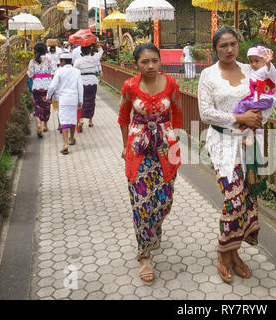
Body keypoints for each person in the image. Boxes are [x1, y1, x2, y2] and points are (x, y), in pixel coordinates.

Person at [198, 27, 273, 283]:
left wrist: (260, 117)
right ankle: (223, 252)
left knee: (248, 198)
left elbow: (267, 97)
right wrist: (238, 117)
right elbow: (205, 113)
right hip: (222, 144)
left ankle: (235, 254)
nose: (229, 50)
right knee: (233, 199)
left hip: (249, 142)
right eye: (223, 45)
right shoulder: (208, 75)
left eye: (233, 44)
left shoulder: (251, 70)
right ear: (215, 49)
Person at [118, 42, 182, 283]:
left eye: (154, 60)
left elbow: (176, 112)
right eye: (144, 62)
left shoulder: (171, 84)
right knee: (142, 201)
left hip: (166, 146)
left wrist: (177, 141)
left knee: (165, 200)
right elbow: (123, 116)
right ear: (136, 64)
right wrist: (125, 146)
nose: (150, 65)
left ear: (160, 61)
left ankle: (153, 230)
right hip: (139, 148)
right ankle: (144, 255)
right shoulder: (130, 86)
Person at [232, 43, 276, 146]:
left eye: (257, 61)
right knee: (254, 117)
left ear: (263, 59)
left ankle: (235, 119)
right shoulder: (254, 70)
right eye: (251, 61)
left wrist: (268, 63)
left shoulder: (265, 70)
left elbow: (272, 73)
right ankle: (249, 136)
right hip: (259, 99)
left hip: (264, 99)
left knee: (243, 105)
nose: (253, 64)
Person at [46, 52, 83, 155]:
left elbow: (52, 86)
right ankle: (72, 138)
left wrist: (48, 97)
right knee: (72, 119)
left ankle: (65, 143)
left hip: (63, 99)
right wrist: (80, 100)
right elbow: (80, 87)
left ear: (62, 61)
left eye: (60, 61)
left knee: (64, 121)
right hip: (74, 98)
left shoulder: (59, 71)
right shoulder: (76, 71)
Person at [27, 42, 55, 138]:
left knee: (37, 106)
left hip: (37, 87)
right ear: (45, 50)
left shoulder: (32, 61)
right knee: (47, 106)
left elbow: (30, 75)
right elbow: (54, 72)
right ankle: (45, 126)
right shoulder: (49, 59)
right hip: (47, 86)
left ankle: (39, 124)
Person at [74, 43, 104, 129]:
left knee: (81, 101)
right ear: (90, 51)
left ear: (81, 52)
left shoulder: (78, 61)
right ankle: (90, 121)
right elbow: (101, 52)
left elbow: (74, 72)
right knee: (91, 100)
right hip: (92, 82)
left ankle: (81, 119)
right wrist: (98, 46)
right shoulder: (94, 59)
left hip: (82, 82)